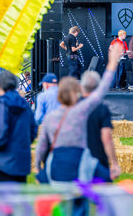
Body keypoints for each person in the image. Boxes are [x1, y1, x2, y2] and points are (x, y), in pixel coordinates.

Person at [35, 43, 124, 184]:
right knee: (104, 184)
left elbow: (42, 145)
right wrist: (112, 63)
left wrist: (37, 167)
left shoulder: (50, 118)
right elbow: (100, 92)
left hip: (58, 163)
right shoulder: (79, 111)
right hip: (78, 161)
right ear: (75, 93)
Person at [0, 70, 38, 182]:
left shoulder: (1, 105)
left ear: (0, 85)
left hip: (3, 161)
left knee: (6, 197)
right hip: (22, 160)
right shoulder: (25, 105)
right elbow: (33, 130)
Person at [82, 70, 121, 181]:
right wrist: (114, 163)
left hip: (78, 160)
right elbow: (107, 137)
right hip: (98, 160)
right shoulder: (101, 108)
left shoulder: (74, 107)